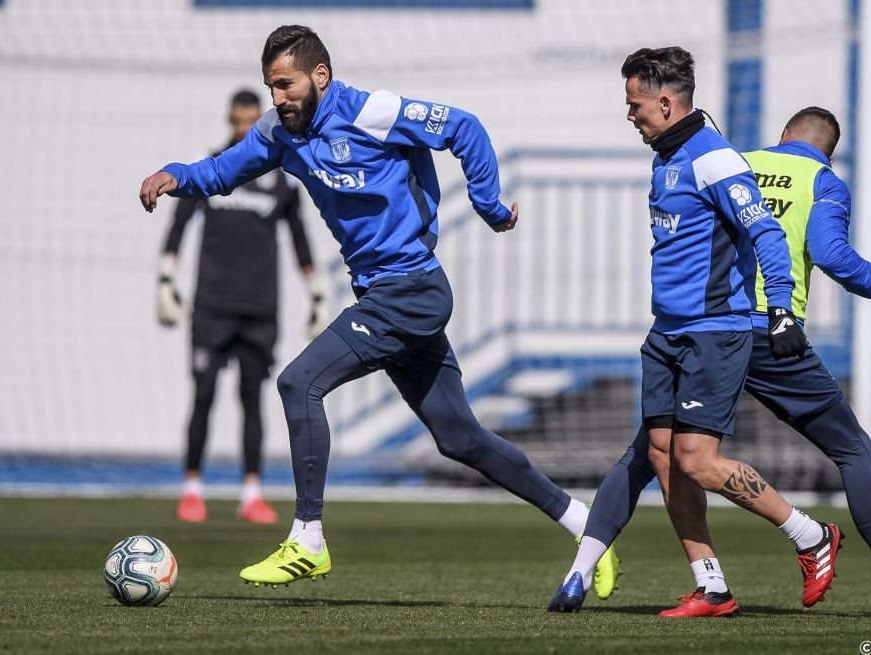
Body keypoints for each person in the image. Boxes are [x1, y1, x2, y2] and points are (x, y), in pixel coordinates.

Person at [139, 24, 619, 593]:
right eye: (271, 87)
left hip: (412, 290)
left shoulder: (373, 111)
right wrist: (176, 176)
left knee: (298, 383)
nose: (278, 98)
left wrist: (488, 205)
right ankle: (586, 524)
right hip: (382, 295)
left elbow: (463, 127)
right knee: (460, 438)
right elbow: (222, 171)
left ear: (320, 76)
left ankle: (308, 540)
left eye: (287, 84)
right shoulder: (279, 132)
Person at [548, 47, 840, 616]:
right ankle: (712, 586)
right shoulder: (665, 155)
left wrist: (780, 308)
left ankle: (811, 536)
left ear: (665, 101)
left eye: (635, 105)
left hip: (715, 332)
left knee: (698, 461)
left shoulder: (715, 159)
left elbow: (767, 235)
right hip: (667, 334)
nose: (629, 115)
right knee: (661, 457)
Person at [649, 107, 871, 618]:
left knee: (654, 448)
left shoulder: (734, 160)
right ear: (829, 153)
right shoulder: (823, 182)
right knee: (852, 449)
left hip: (700, 327)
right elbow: (833, 255)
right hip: (768, 334)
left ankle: (590, 558)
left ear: (782, 136)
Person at [157, 89, 325, 525]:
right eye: (237, 120)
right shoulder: (210, 167)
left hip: (259, 307)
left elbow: (300, 236)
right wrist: (165, 278)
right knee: (205, 394)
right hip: (212, 304)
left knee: (252, 398)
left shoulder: (282, 175)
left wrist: (317, 294)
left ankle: (251, 492)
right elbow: (179, 223)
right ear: (230, 119)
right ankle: (191, 488)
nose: (243, 128)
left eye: (251, 120)